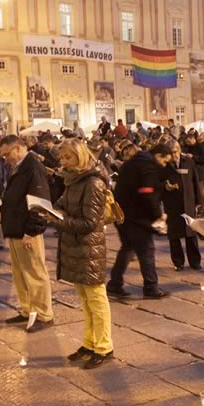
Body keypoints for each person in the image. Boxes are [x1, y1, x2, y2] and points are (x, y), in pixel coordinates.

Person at [51, 138, 115, 368]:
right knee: (84, 299)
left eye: (68, 157)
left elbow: (89, 222)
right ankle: (89, 342)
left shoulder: (93, 183)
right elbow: (61, 203)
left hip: (89, 247)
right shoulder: (72, 179)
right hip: (74, 245)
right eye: (62, 158)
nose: (63, 162)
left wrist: (58, 221)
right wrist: (51, 210)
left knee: (96, 299)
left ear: (80, 156)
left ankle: (104, 346)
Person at [0, 135, 54, 331]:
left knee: (35, 273)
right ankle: (28, 309)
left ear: (17, 148)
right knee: (20, 272)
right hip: (15, 228)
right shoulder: (20, 166)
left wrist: (32, 230)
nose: (5, 159)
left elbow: (40, 202)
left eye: (6, 154)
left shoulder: (32, 167)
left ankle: (43, 315)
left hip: (27, 230)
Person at [107, 142, 167, 300]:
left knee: (127, 248)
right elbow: (147, 192)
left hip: (122, 214)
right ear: (158, 155)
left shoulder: (132, 162)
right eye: (164, 160)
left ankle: (114, 284)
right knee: (147, 251)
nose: (164, 164)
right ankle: (151, 288)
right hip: (137, 216)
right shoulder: (148, 166)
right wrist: (157, 215)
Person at [161, 140, 202, 271]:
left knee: (191, 234)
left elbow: (195, 181)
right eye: (170, 153)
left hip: (188, 203)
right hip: (172, 204)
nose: (174, 156)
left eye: (175, 152)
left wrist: (199, 201)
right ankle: (178, 262)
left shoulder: (188, 161)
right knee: (174, 236)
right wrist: (165, 187)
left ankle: (195, 262)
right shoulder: (164, 165)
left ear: (179, 150)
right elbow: (158, 182)